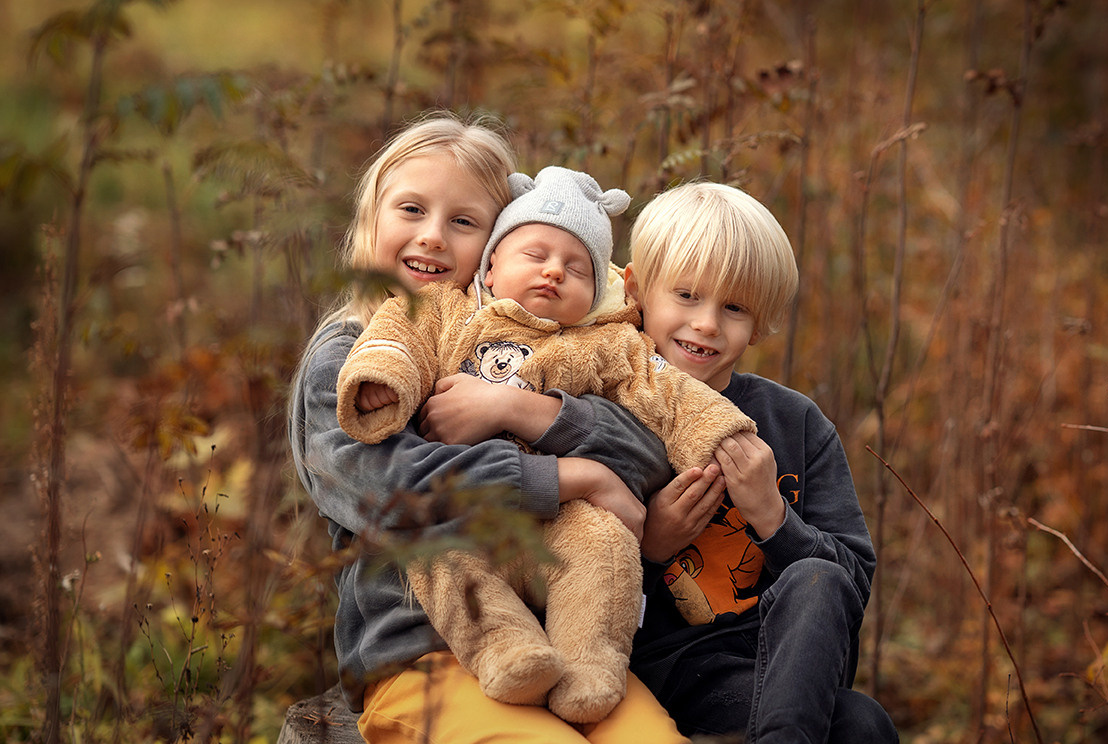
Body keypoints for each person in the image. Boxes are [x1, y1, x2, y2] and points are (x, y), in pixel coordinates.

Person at [288, 112, 688, 744]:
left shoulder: (555, 343)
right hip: (421, 655)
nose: (433, 237)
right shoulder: (347, 361)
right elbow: (394, 490)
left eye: (464, 222)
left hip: (564, 642)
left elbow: (649, 452)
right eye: (411, 209)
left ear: (499, 246)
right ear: (372, 220)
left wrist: (526, 411)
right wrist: (566, 476)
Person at [334, 165, 757, 724]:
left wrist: (725, 435)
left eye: (576, 267)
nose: (554, 272)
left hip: (561, 527)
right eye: (535, 255)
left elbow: (669, 396)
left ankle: (590, 664)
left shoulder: (606, 344)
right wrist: (380, 379)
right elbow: (398, 340)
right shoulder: (445, 310)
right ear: (491, 264)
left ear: (599, 288)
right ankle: (508, 651)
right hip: (451, 560)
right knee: (434, 553)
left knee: (604, 541)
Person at [621, 182, 899, 743]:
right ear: (636, 290)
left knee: (861, 710)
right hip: (658, 669)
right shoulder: (611, 406)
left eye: (734, 307)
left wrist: (773, 516)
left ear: (761, 320)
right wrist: (651, 546)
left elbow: (852, 587)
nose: (706, 324)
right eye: (686, 295)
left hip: (780, 667)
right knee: (860, 726)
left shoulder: (794, 423)